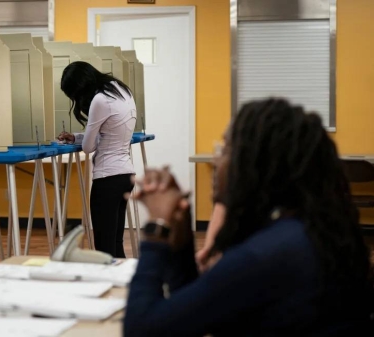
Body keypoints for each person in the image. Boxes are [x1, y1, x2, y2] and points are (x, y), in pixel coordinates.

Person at [124, 98, 374, 336]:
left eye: (227, 148)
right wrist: (180, 243)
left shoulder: (268, 254)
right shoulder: (300, 232)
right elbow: (197, 314)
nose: (216, 159)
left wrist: (157, 231)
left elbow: (142, 331)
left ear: (258, 164)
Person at [57, 61, 136, 258]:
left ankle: (111, 285)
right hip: (126, 175)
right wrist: (75, 136)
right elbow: (106, 134)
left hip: (107, 179)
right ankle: (123, 285)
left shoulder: (100, 100)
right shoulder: (121, 90)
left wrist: (81, 139)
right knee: (115, 243)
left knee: (103, 247)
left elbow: (89, 147)